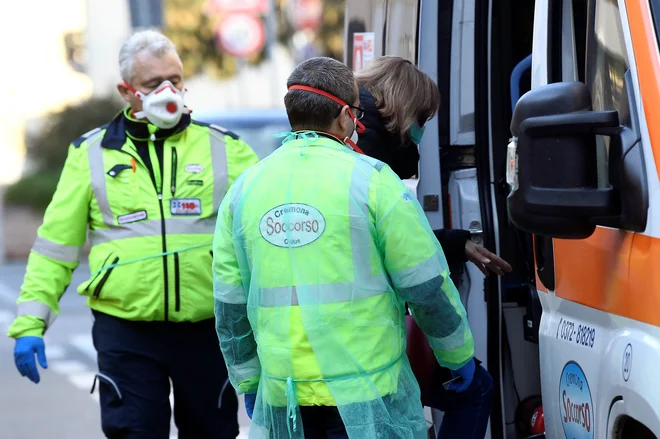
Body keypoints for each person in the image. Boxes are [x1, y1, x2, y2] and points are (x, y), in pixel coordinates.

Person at [8, 30, 259, 439]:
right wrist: (30, 324)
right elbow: (56, 248)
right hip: (126, 331)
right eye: (152, 83)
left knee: (213, 432)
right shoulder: (89, 156)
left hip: (206, 329)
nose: (168, 91)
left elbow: (259, 237)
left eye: (175, 80)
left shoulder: (225, 149)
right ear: (127, 91)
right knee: (135, 432)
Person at [213, 56, 477, 439]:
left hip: (284, 395)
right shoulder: (373, 181)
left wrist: (248, 381)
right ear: (343, 116)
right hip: (365, 391)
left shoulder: (245, 189)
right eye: (355, 111)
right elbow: (425, 286)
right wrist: (457, 354)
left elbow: (230, 305)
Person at [356, 55, 512, 439]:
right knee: (475, 389)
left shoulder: (349, 144)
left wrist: (457, 244)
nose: (421, 130)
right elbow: (414, 272)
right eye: (422, 119)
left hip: (306, 356)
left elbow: (375, 242)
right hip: (365, 349)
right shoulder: (373, 165)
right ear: (404, 107)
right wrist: (458, 358)